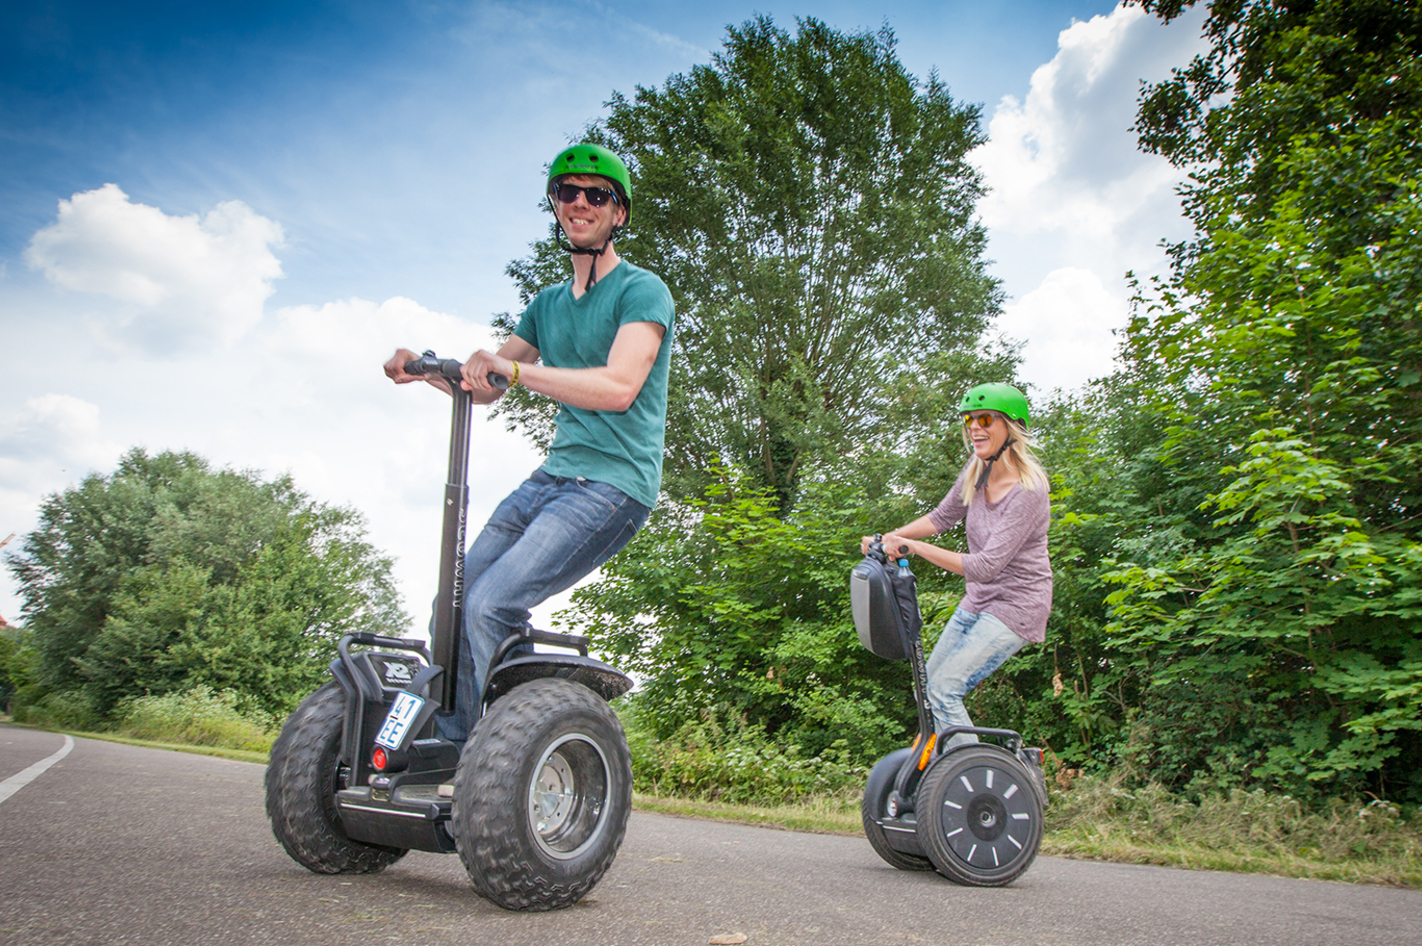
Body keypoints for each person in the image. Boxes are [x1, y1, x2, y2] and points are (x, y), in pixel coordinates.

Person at [384, 143, 675, 741]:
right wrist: (426, 367)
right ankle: (449, 737)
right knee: (455, 599)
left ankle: (501, 748)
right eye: (568, 193)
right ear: (555, 206)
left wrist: (512, 370)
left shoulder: (642, 291)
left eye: (597, 195)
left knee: (492, 602)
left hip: (615, 485)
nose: (580, 203)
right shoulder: (546, 304)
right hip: (553, 479)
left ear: (618, 213)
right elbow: (486, 384)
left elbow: (620, 386)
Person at [861, 382, 1052, 748]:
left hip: (1017, 607)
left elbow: (984, 566)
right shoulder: (976, 469)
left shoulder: (1028, 491)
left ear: (1011, 428)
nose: (974, 428)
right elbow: (942, 516)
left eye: (985, 419)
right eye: (969, 420)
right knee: (927, 686)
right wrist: (889, 539)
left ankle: (971, 779)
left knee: (946, 689)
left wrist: (914, 547)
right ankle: (940, 774)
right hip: (978, 601)